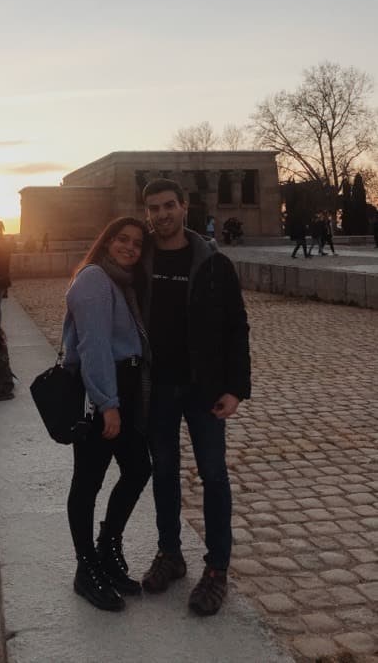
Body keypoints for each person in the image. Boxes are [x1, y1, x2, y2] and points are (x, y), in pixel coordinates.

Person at [140, 178, 251, 617]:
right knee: (163, 472)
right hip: (158, 387)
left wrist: (236, 388)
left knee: (213, 475)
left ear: (184, 207)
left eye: (169, 205)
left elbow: (236, 326)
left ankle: (217, 569)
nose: (162, 214)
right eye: (154, 208)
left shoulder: (213, 262)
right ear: (146, 212)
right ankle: (171, 553)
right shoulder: (140, 258)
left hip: (204, 388)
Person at [63, 217, 152, 612]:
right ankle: (87, 567)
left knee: (137, 469)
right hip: (101, 392)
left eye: (136, 243)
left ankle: (106, 548)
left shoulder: (122, 282)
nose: (130, 247)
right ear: (107, 240)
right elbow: (94, 345)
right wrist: (107, 403)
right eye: (122, 239)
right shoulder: (95, 279)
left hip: (124, 388)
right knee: (88, 481)